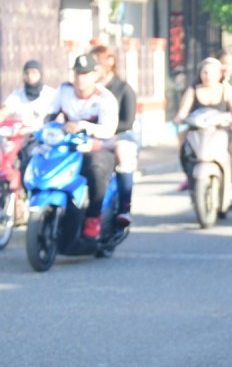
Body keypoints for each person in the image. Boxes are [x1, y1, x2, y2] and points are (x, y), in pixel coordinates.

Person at [47, 54, 119, 239]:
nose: (81, 78)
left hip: (96, 146)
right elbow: (48, 115)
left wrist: (83, 126)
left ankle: (93, 217)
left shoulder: (104, 98)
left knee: (96, 169)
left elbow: (108, 130)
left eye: (85, 74)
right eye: (78, 73)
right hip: (67, 147)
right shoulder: (64, 90)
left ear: (95, 75)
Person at [173, 57, 232, 191]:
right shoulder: (193, 90)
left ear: (219, 74)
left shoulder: (226, 89)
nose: (208, 76)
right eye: (205, 72)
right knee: (182, 137)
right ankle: (188, 175)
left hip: (222, 129)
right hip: (199, 130)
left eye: (212, 72)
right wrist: (180, 118)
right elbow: (182, 112)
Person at [88, 45, 138, 225]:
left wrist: (102, 129)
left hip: (119, 135)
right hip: (91, 135)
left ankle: (125, 207)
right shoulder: (87, 90)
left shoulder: (123, 88)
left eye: (97, 64)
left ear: (109, 63)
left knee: (124, 154)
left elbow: (128, 122)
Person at [0, 60, 57, 177]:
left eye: (34, 73)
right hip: (22, 138)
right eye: (27, 73)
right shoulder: (18, 95)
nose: (30, 76)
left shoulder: (51, 94)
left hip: (45, 138)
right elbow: (4, 111)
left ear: (40, 74)